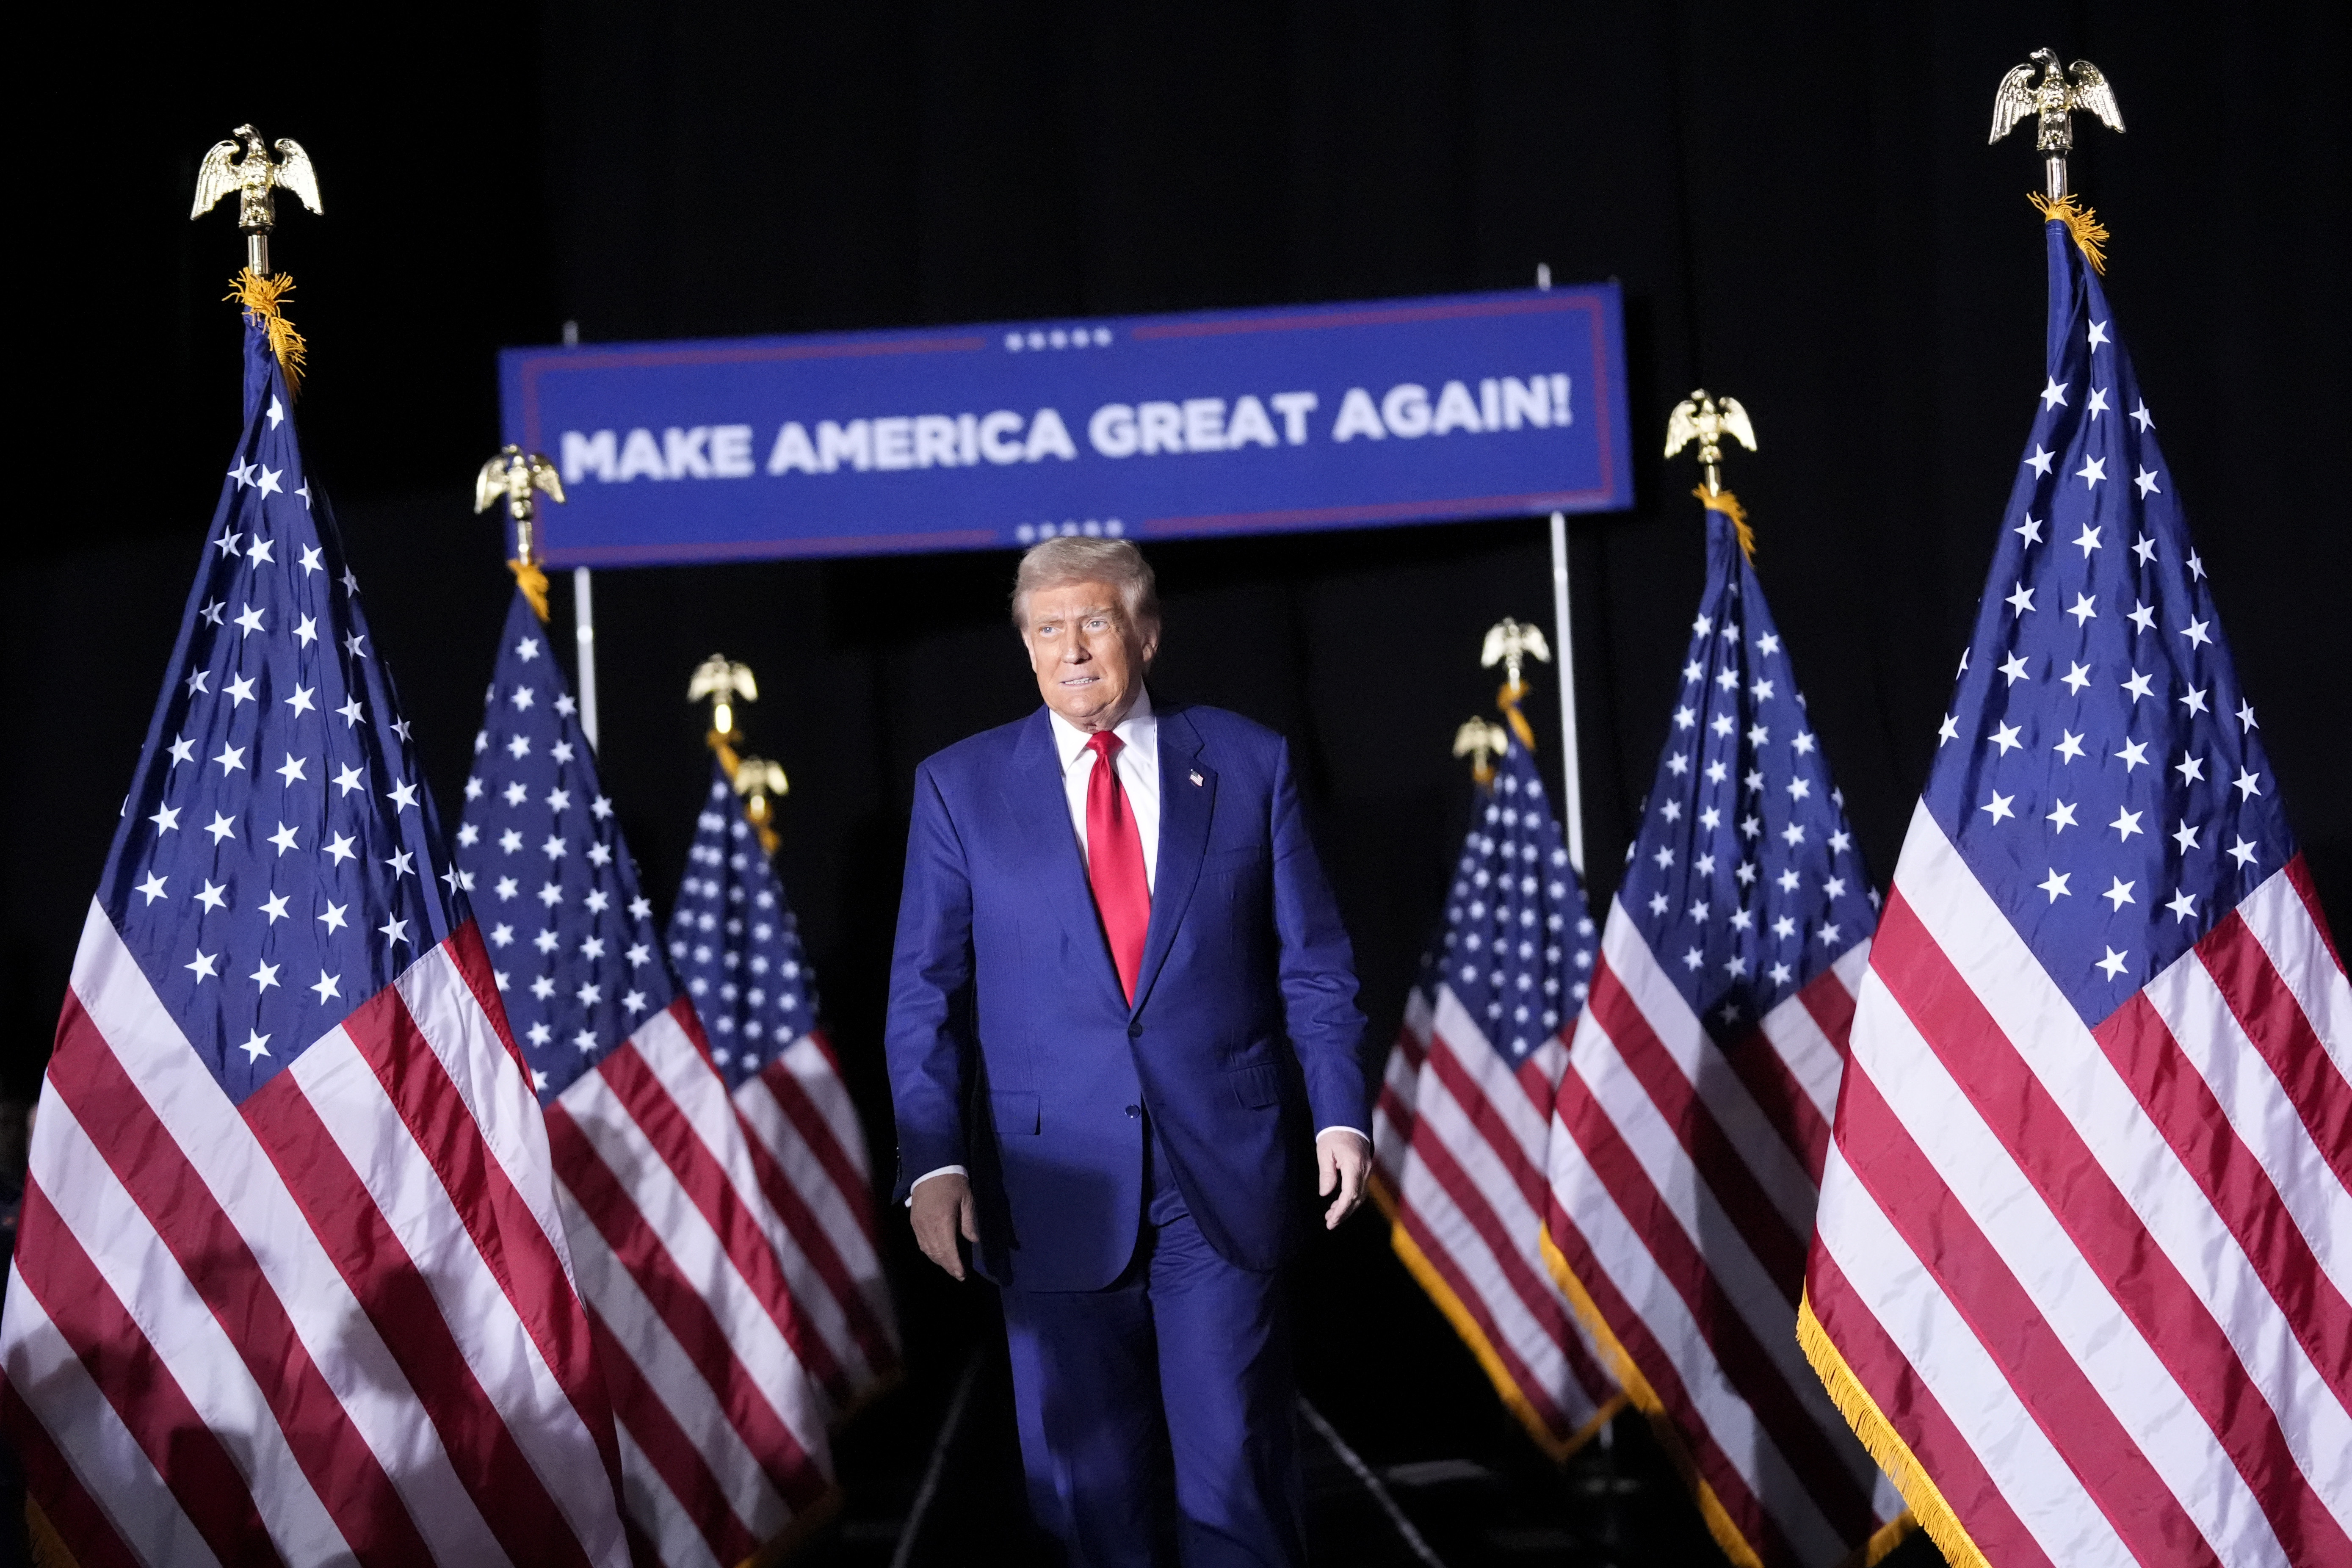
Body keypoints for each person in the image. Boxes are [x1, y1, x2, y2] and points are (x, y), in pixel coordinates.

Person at [886, 537, 1372, 1567]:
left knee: (1236, 1477)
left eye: (1094, 622)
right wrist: (934, 1161)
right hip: (1049, 1181)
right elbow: (924, 993)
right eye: (1047, 628)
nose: (1072, 650)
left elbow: (1315, 966)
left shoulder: (1248, 762)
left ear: (1145, 633)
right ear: (1025, 648)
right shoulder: (958, 787)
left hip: (1222, 1177)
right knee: (1089, 1498)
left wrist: (1338, 1110)